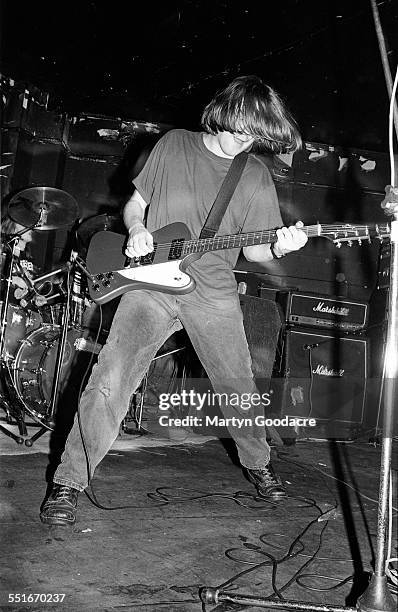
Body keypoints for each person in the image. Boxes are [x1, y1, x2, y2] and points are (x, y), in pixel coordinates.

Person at [40, 75, 308, 527]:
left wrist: (283, 246)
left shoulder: (256, 175)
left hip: (215, 289)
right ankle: (68, 483)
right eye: (238, 130)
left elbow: (257, 252)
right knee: (112, 377)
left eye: (254, 136)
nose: (244, 142)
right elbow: (135, 204)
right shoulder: (175, 144)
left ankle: (259, 465)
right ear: (222, 113)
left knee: (237, 385)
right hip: (153, 282)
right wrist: (139, 230)